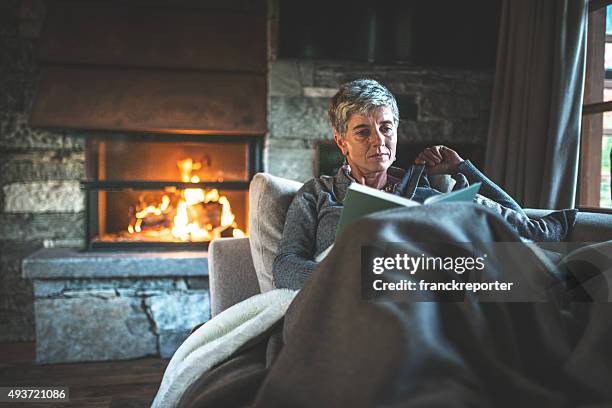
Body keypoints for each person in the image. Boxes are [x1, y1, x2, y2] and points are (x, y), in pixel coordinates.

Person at [272, 79, 575, 290]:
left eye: (386, 128)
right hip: (343, 299)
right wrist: (344, 281)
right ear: (342, 142)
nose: (379, 140)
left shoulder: (427, 194)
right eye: (363, 132)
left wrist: (462, 169)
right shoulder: (318, 194)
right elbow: (286, 264)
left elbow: (517, 225)